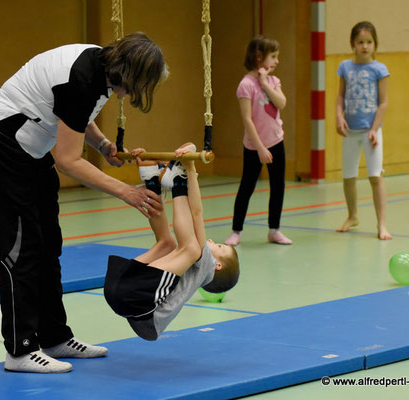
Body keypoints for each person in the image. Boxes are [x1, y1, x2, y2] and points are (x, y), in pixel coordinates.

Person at [0, 32, 168, 373]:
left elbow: (74, 115)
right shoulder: (82, 78)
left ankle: (54, 336)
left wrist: (103, 144)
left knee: (49, 243)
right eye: (134, 86)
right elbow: (68, 160)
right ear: (127, 74)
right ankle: (20, 350)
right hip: (2, 143)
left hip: (32, 147)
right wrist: (127, 192)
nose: (128, 95)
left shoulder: (99, 67)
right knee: (21, 248)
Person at [104, 144, 240, 341]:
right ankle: (152, 180)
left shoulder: (206, 267)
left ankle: (178, 180)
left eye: (219, 246)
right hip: (123, 293)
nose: (212, 241)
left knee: (191, 247)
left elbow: (196, 213)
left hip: (139, 304)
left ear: (218, 266)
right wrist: (184, 170)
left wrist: (188, 173)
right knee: (167, 244)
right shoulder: (190, 270)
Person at [224, 35, 291, 246]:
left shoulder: (273, 81)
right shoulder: (245, 85)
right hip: (255, 145)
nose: (277, 61)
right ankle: (236, 231)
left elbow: (281, 103)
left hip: (276, 141)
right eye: (273, 56)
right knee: (247, 186)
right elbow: (247, 119)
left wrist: (265, 83)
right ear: (259, 57)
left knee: (278, 186)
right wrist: (260, 148)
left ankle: (274, 230)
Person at [335, 21, 392, 240]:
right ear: (352, 44)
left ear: (375, 44)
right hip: (350, 131)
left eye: (369, 42)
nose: (365, 46)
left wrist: (374, 128)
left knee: (375, 176)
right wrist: (339, 117)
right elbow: (340, 96)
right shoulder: (345, 67)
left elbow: (383, 102)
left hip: (371, 132)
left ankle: (382, 225)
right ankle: (352, 216)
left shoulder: (380, 69)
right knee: (348, 176)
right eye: (360, 42)